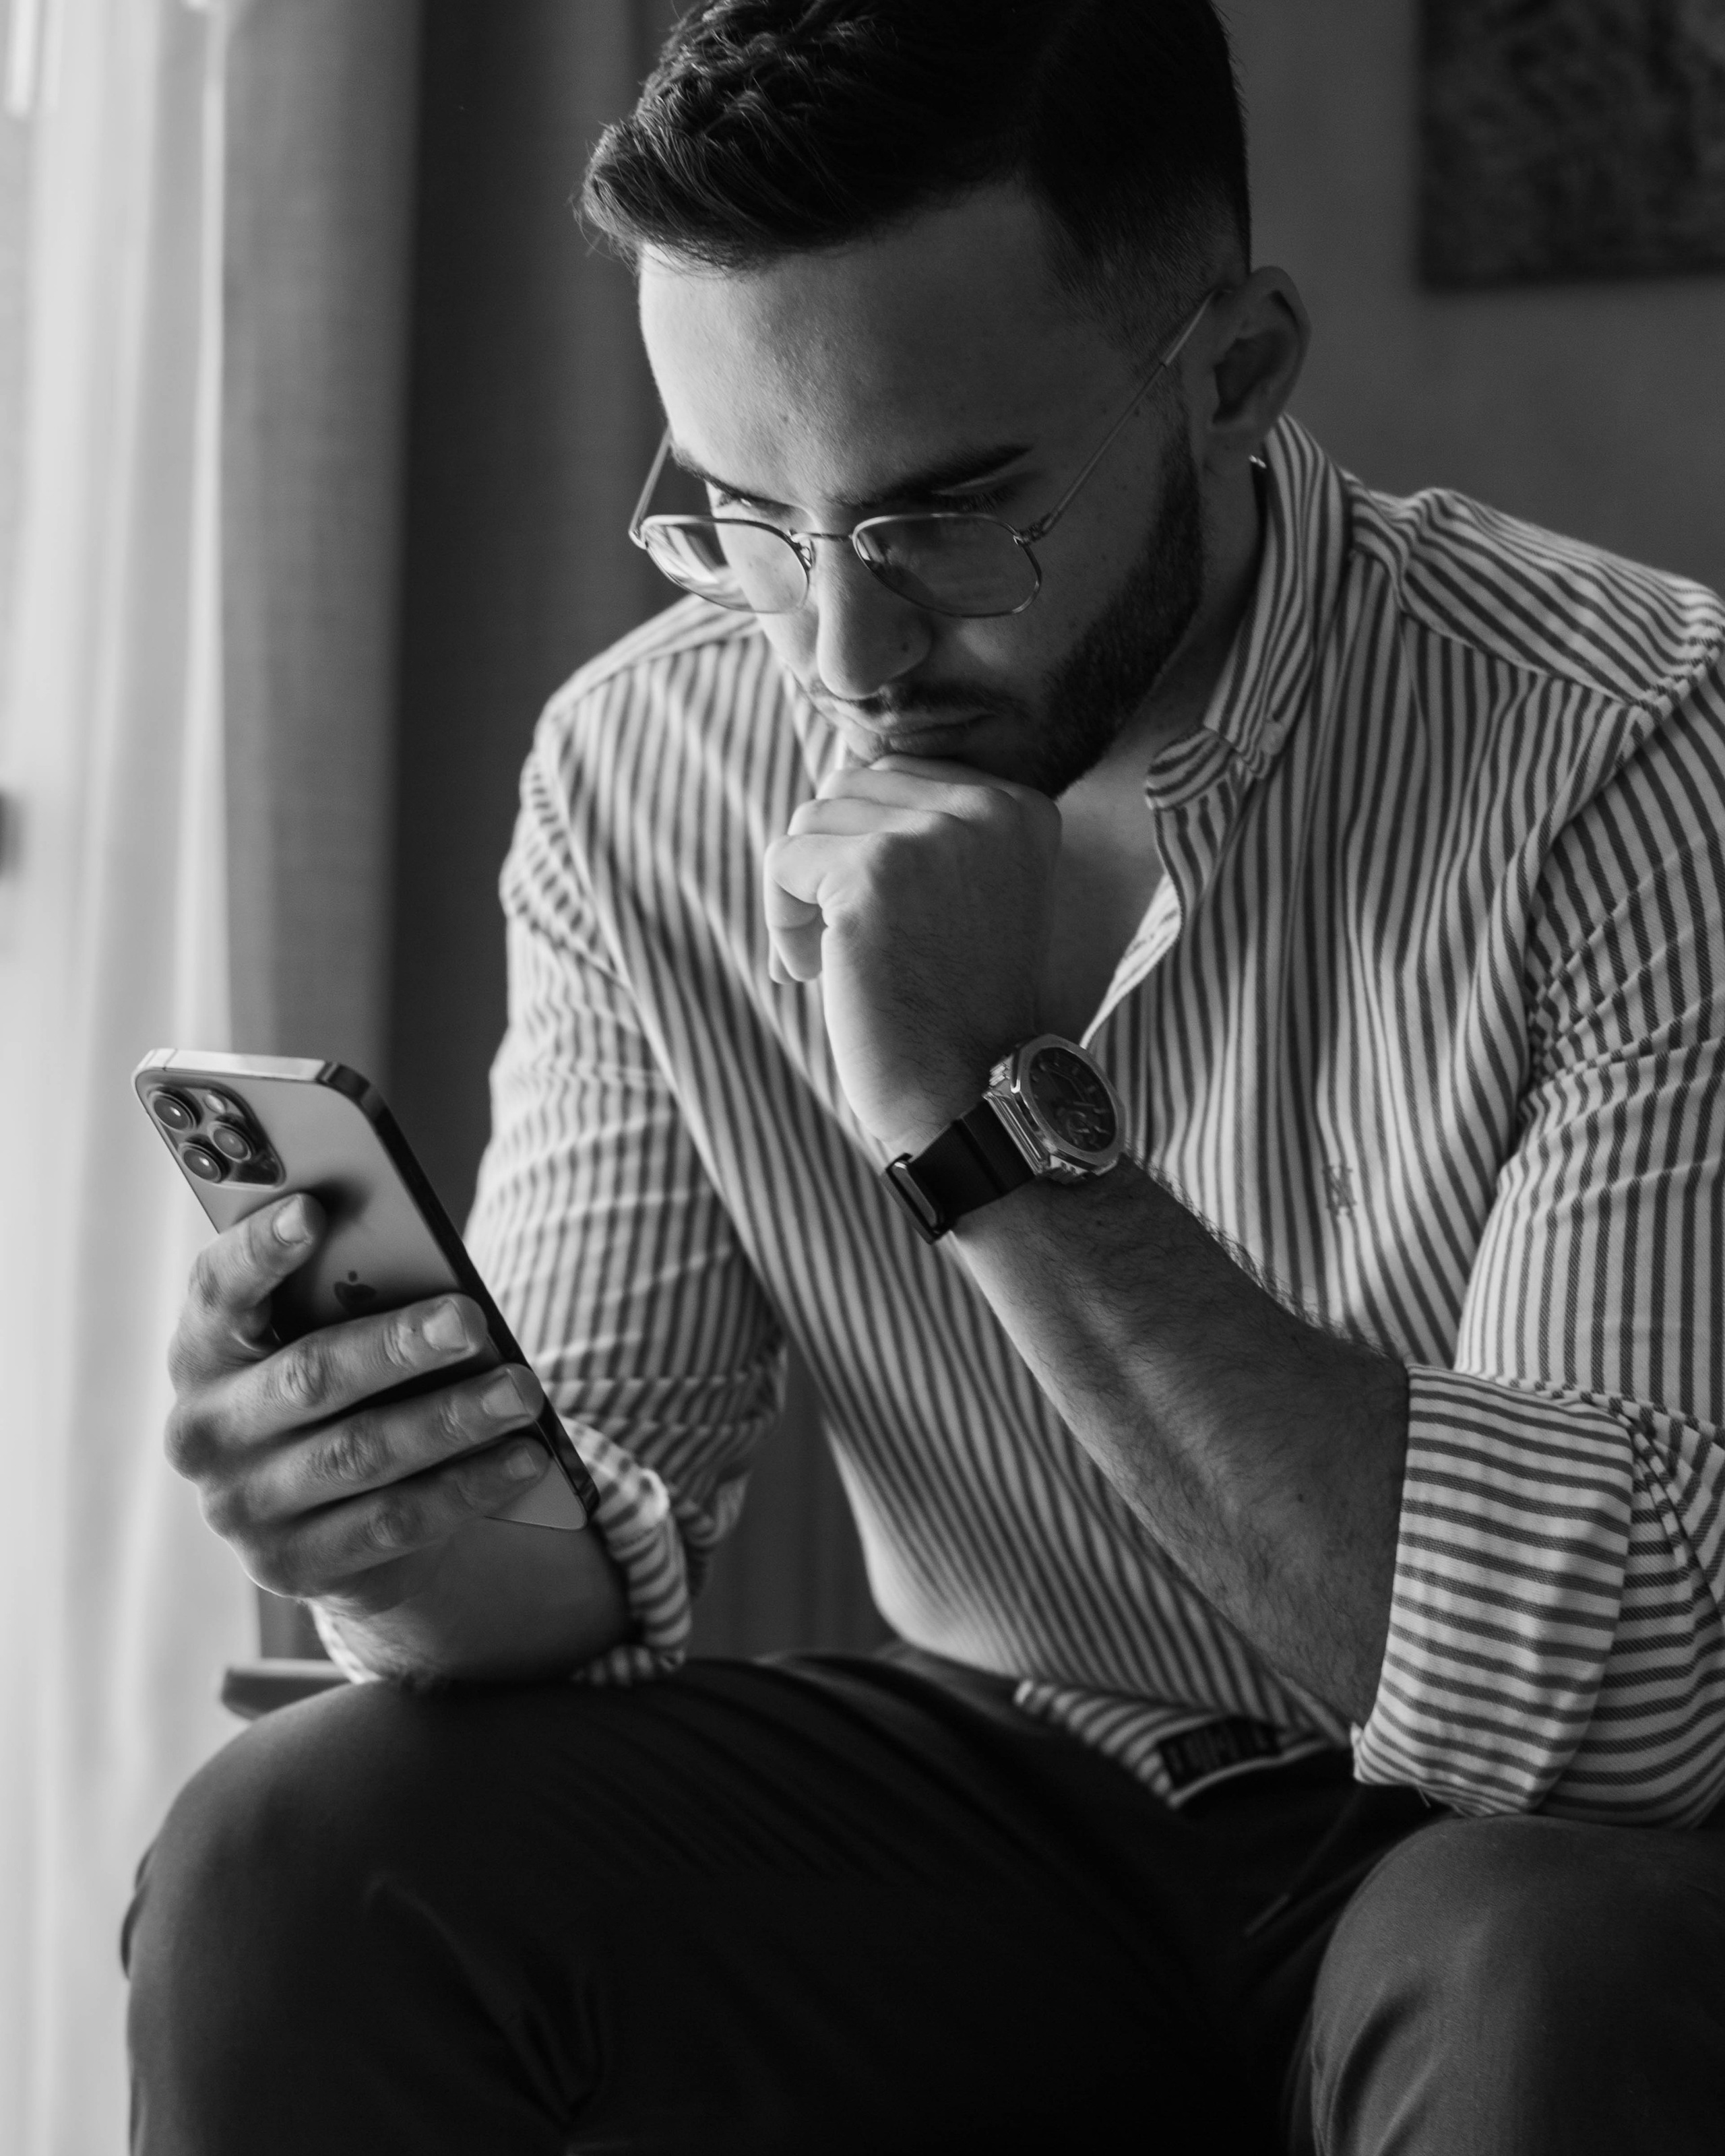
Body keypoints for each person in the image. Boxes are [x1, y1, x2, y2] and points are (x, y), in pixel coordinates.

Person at [124, 3, 1725, 2150]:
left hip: (1493, 1848)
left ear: (1235, 373)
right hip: (1015, 1793)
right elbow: (601, 1497)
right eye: (748, 521)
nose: (837, 664)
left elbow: (1623, 1706)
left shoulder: (1635, 756)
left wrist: (984, 1118)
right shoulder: (647, 762)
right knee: (294, 1851)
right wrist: (398, 1522)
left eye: (944, 523)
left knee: (1560, 1957)